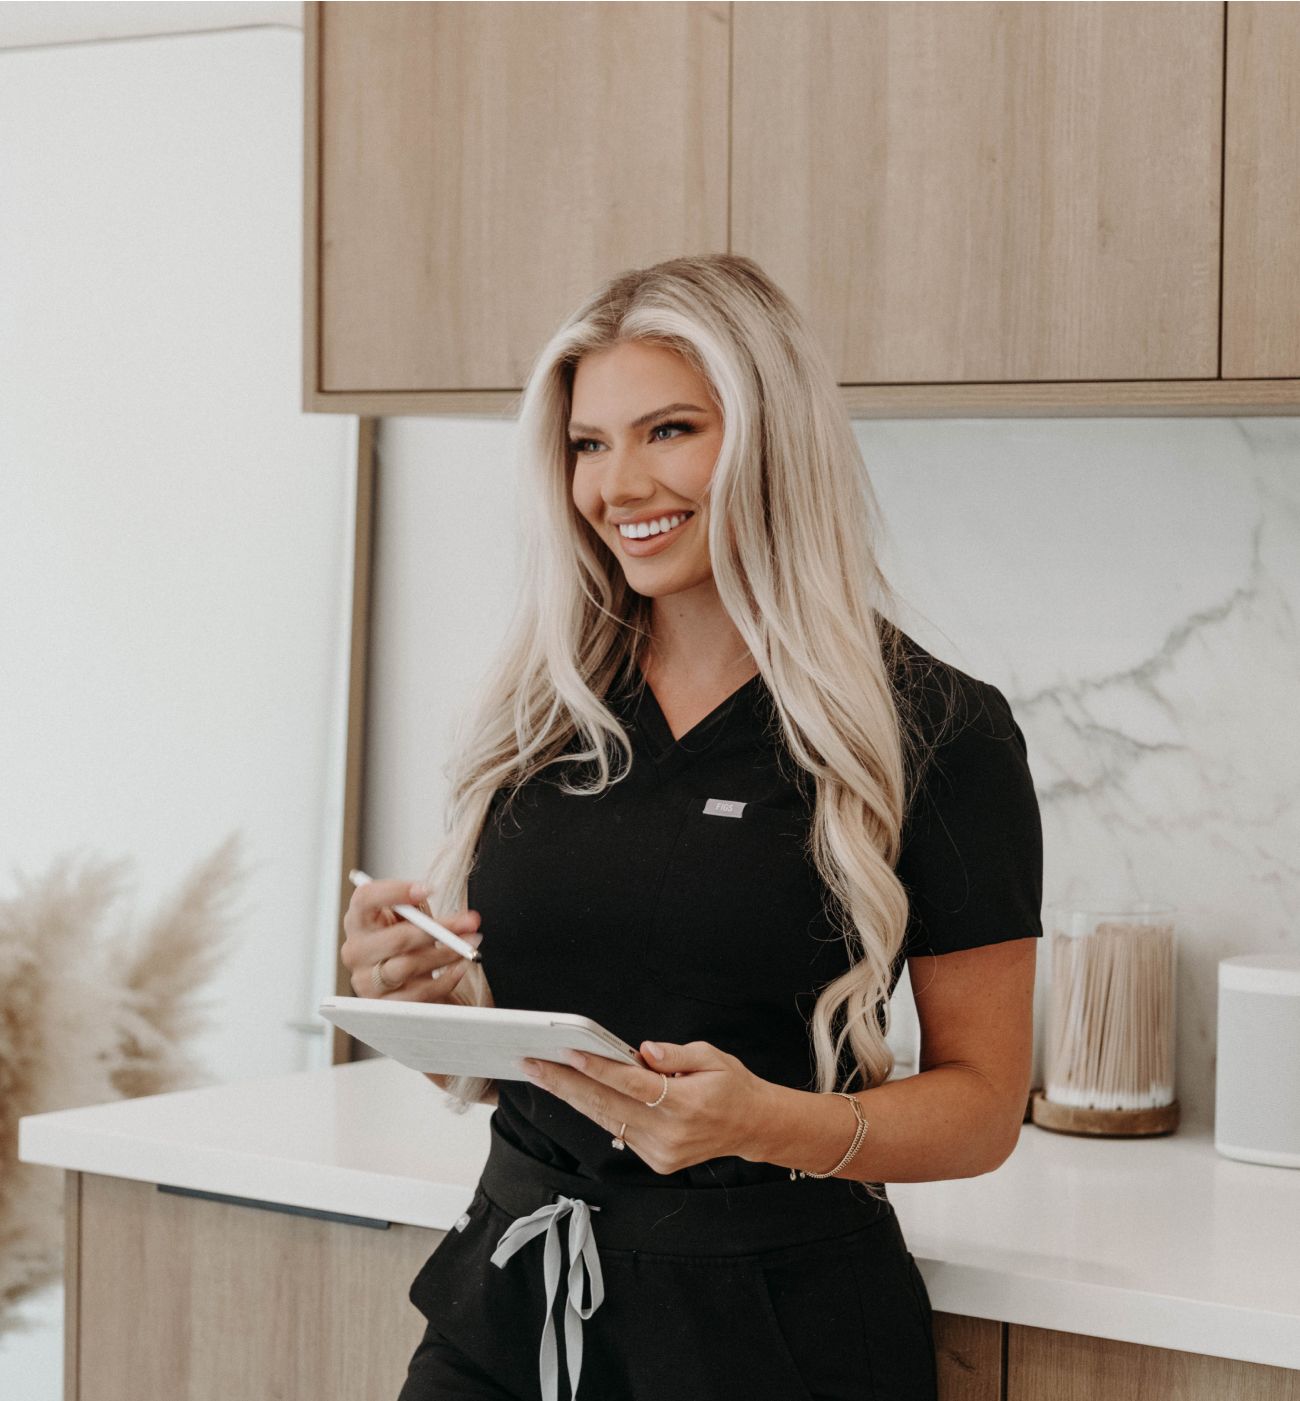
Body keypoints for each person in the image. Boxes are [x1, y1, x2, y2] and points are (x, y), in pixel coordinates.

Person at [341, 253, 1044, 1401]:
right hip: (509, 1302)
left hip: (771, 1334)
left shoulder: (935, 730)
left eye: (668, 430)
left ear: (771, 439)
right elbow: (545, 1033)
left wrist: (769, 1124)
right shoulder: (541, 711)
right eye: (587, 443)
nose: (618, 484)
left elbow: (979, 1108)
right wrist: (424, 1004)